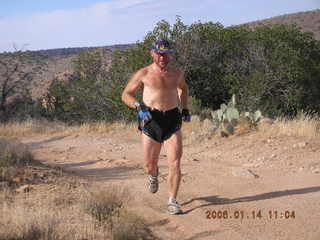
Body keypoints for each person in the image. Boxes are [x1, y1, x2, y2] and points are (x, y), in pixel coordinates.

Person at [121, 39, 191, 215]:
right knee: (148, 165)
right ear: (152, 53)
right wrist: (138, 106)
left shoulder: (177, 73)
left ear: (170, 54)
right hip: (151, 119)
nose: (162, 57)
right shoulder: (143, 73)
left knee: (175, 162)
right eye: (159, 54)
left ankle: (172, 201)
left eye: (166, 53)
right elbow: (126, 94)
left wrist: (185, 108)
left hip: (172, 119)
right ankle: (153, 175)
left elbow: (183, 89)